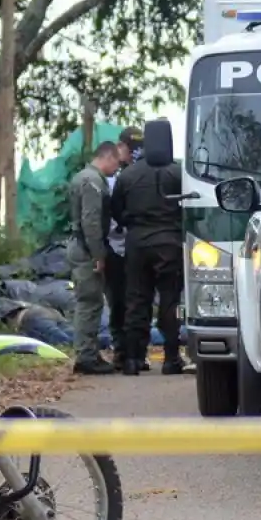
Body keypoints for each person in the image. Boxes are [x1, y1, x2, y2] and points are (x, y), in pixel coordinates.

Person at [111, 120, 188, 376]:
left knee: (136, 300)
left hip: (137, 243)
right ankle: (171, 358)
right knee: (169, 301)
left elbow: (116, 210)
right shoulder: (179, 173)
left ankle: (133, 359)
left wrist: (132, 224)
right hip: (170, 242)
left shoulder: (127, 175)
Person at [67, 141, 122, 375]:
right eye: (116, 163)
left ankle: (88, 353)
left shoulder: (83, 177)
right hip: (86, 249)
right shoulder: (93, 182)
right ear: (108, 157)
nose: (117, 169)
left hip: (80, 246)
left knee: (90, 302)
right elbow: (90, 221)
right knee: (89, 302)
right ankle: (86, 357)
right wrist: (98, 254)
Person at [105, 127, 150, 372]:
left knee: (131, 303)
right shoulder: (113, 177)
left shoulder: (122, 178)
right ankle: (125, 352)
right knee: (124, 303)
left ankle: (132, 354)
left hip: (128, 248)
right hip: (120, 248)